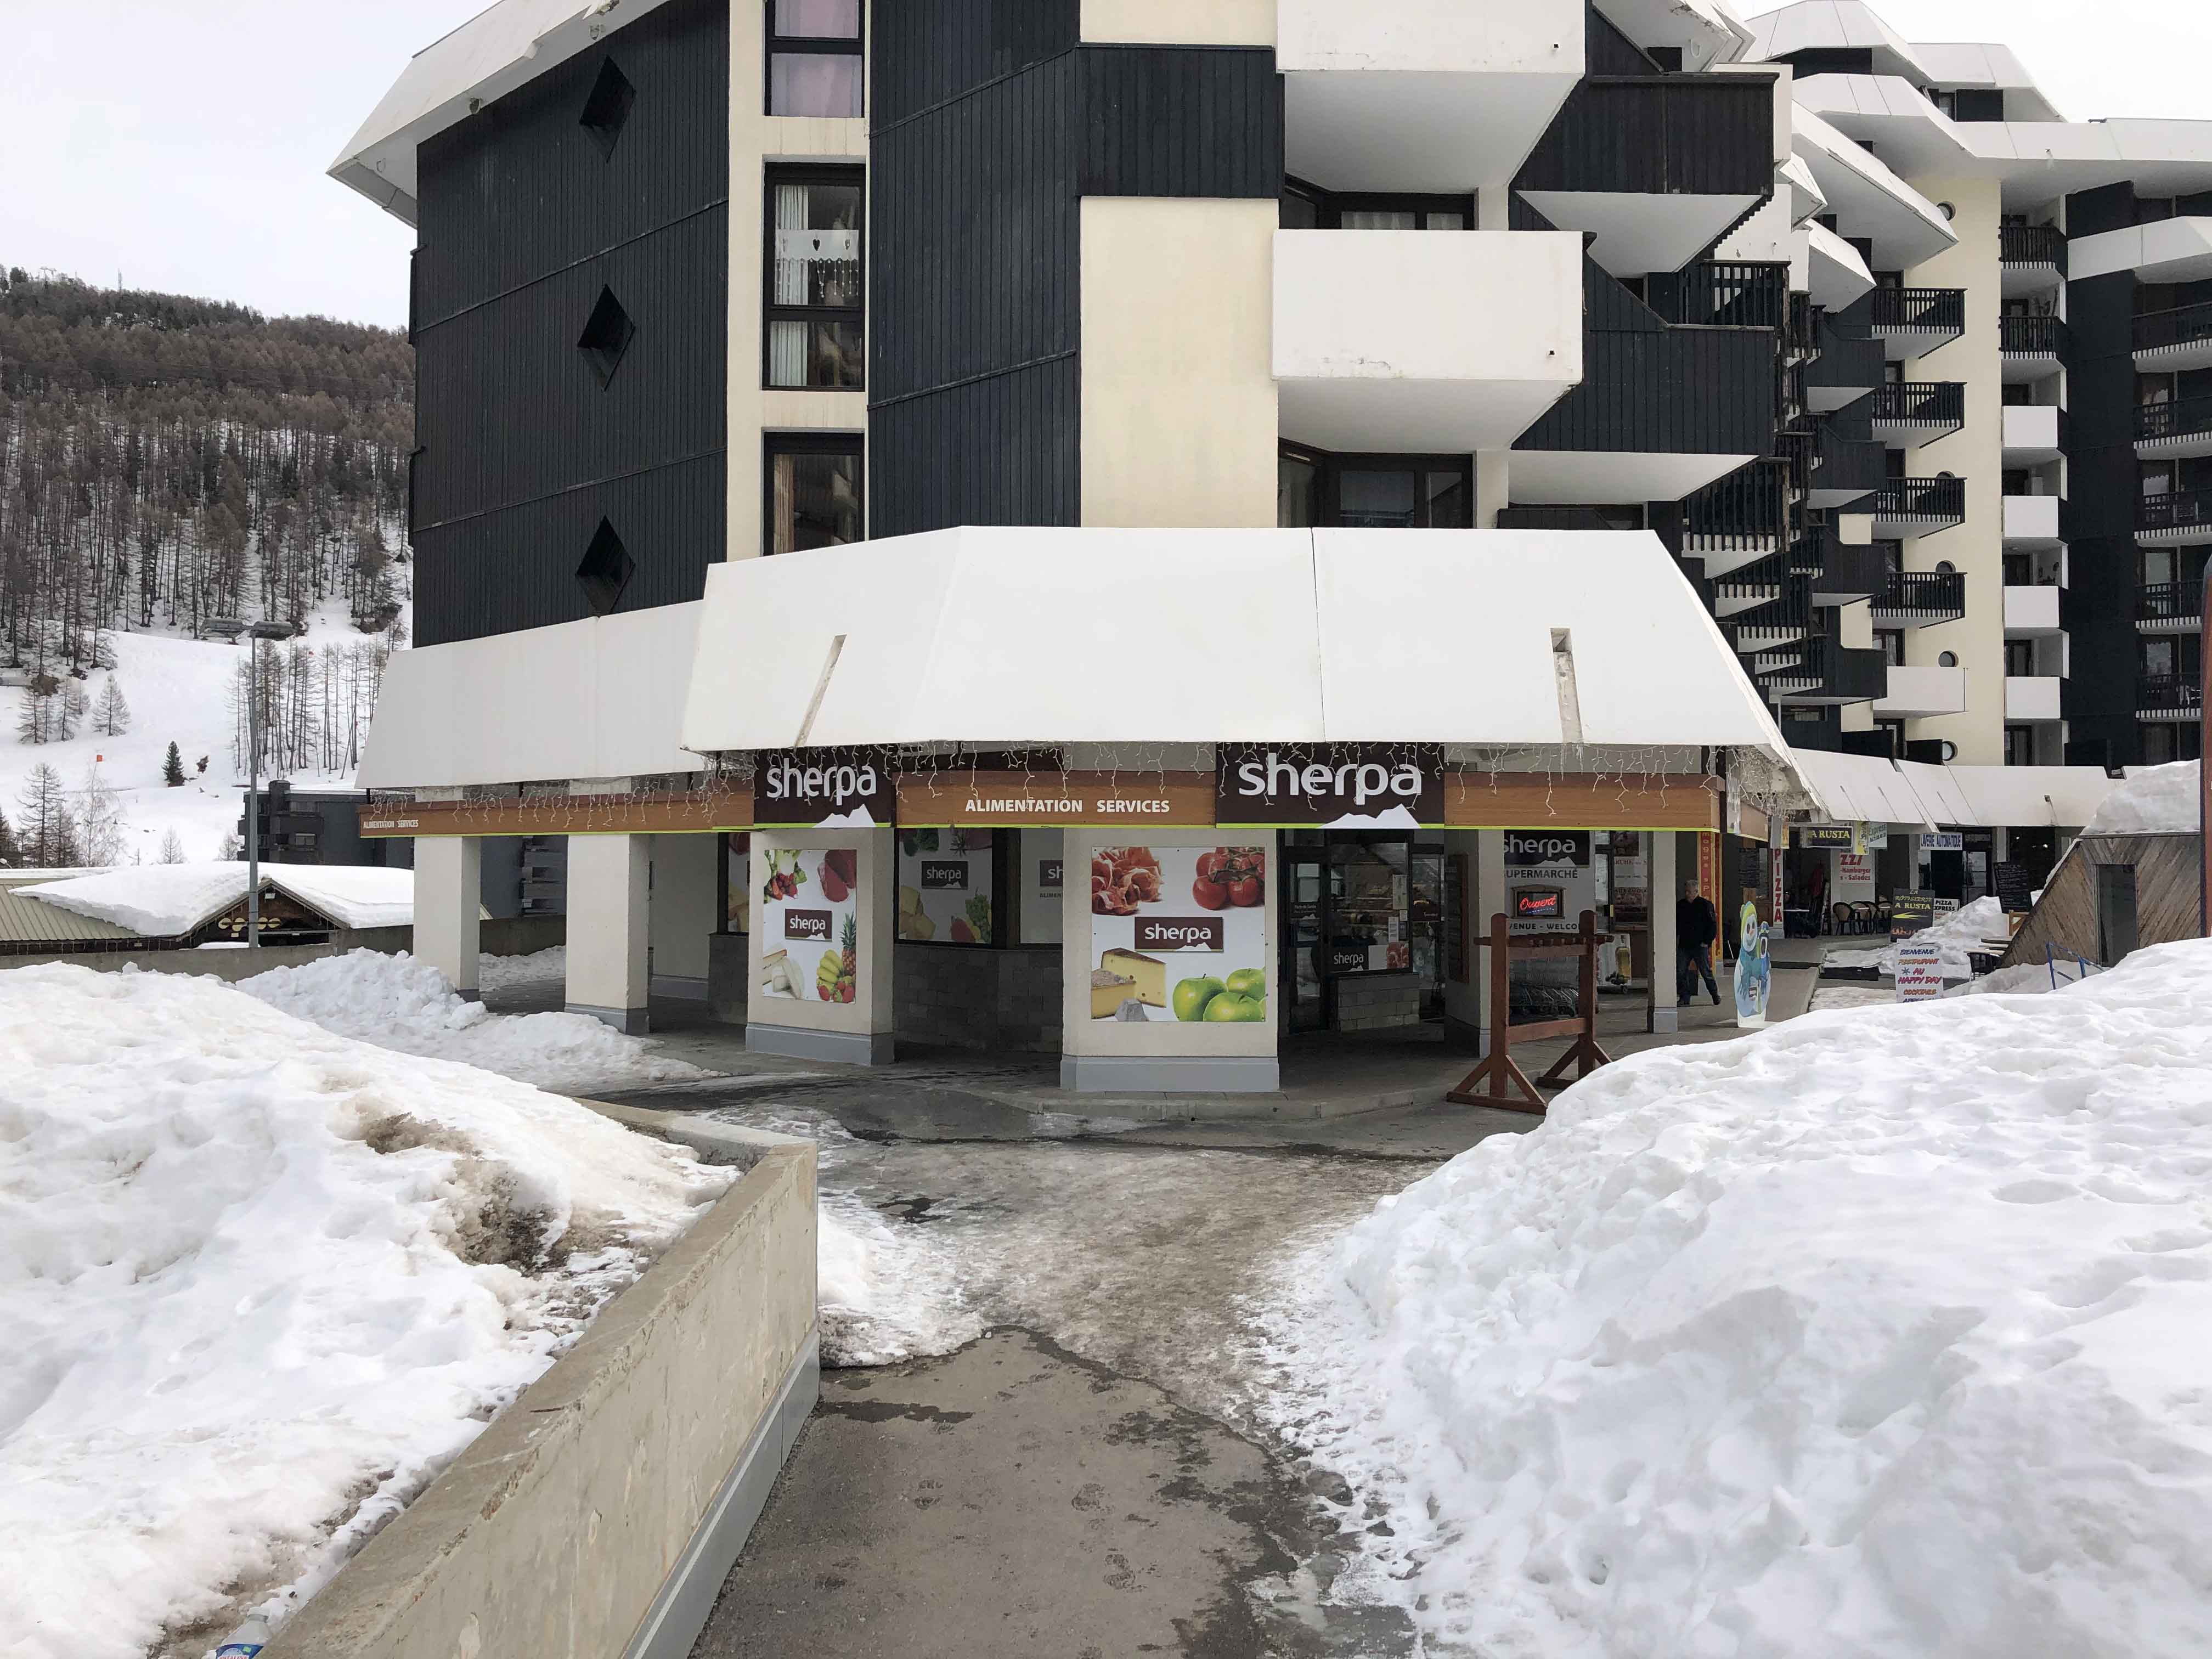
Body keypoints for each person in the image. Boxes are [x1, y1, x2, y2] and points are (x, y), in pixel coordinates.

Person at [1677, 878, 1720, 1006]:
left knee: (1705, 972)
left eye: (1689, 892)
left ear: (1696, 891)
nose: (1687, 894)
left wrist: (1707, 942)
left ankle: (1714, 994)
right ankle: (1684, 997)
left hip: (1700, 945)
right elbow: (1677, 924)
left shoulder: (1705, 905)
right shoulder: (1681, 906)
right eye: (1686, 892)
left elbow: (1713, 926)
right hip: (1684, 945)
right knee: (1681, 971)